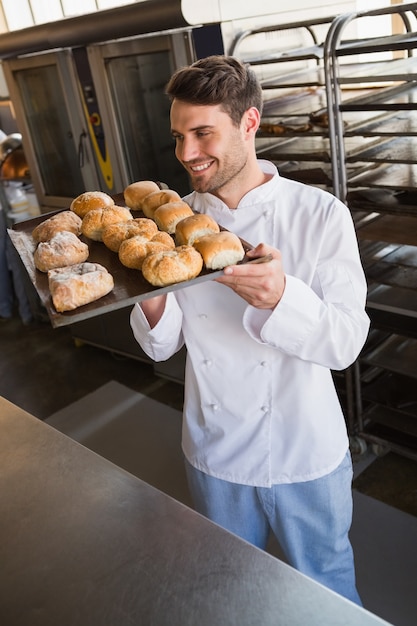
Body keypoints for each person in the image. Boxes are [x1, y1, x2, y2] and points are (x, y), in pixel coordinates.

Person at [130, 55, 370, 605]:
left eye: (203, 133)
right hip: (217, 454)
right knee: (229, 589)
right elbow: (163, 347)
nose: (186, 154)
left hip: (307, 451)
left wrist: (283, 298)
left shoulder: (320, 215)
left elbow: (346, 343)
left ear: (250, 124)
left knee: (327, 590)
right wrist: (145, 284)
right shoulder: (170, 225)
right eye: (178, 136)